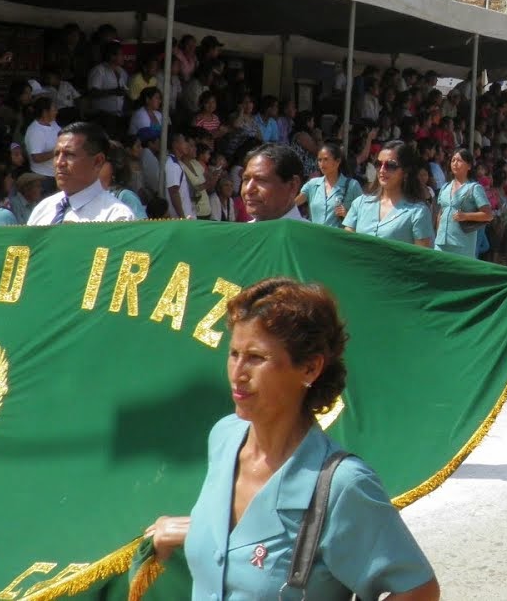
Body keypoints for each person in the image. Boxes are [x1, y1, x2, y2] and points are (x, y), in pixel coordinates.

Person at [145, 279, 440, 600]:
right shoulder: (224, 437)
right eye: (233, 354)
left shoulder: (342, 485)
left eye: (256, 357)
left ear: (310, 368)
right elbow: (246, 539)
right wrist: (189, 530)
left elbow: (418, 591)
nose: (238, 372)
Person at [27, 122, 136, 224]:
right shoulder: (43, 209)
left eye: (69, 154)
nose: (59, 163)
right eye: (56, 154)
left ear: (98, 161)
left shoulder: (116, 217)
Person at [345, 141, 434, 247]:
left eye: (390, 165)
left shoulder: (419, 212)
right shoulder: (360, 203)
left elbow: (421, 257)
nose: (382, 170)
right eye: (378, 164)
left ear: (405, 172)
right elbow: (346, 246)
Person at [434, 148, 492, 257]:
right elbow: (440, 214)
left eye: (459, 161)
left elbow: (488, 215)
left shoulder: (474, 188)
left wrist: (465, 216)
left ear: (469, 166)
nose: (455, 163)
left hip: (462, 244)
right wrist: (438, 235)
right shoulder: (445, 187)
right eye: (453, 160)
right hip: (441, 243)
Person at [295, 142, 362, 228]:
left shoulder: (352, 185)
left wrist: (347, 214)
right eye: (319, 160)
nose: (322, 164)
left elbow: (363, 215)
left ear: (337, 162)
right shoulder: (312, 184)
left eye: (326, 159)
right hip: (315, 237)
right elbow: (294, 204)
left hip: (338, 239)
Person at [239, 144, 307, 222]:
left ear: (292, 185)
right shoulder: (239, 233)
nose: (248, 189)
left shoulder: (311, 234)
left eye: (261, 180)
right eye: (246, 179)